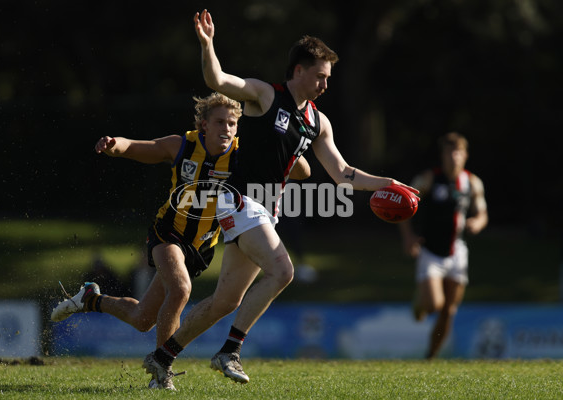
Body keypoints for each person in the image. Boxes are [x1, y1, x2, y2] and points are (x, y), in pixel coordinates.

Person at [141, 9, 419, 390]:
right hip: (237, 201)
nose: (325, 84)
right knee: (283, 271)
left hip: (264, 212)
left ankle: (162, 357)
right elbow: (218, 80)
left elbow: (342, 174)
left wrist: (389, 182)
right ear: (299, 70)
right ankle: (229, 351)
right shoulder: (266, 95)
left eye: (328, 78)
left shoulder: (319, 122)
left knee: (225, 302)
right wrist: (207, 45)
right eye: (320, 76)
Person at [50, 92, 310, 389]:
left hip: (202, 248)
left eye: (233, 124)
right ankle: (163, 372)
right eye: (220, 122)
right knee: (181, 289)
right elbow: (138, 147)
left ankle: (90, 299)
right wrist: (114, 145)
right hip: (168, 234)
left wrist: (283, 148)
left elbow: (298, 170)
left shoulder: (243, 153)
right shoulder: (183, 145)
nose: (227, 129)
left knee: (142, 318)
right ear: (203, 125)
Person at [399, 132, 488, 359]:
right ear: (443, 155)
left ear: (465, 156)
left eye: (458, 152)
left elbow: (482, 213)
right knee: (434, 305)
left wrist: (477, 223)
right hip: (430, 251)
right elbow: (404, 205)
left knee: (449, 310)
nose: (454, 157)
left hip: (457, 251)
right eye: (449, 152)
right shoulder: (428, 179)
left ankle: (431, 357)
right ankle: (419, 304)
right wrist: (408, 237)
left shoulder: (472, 182)